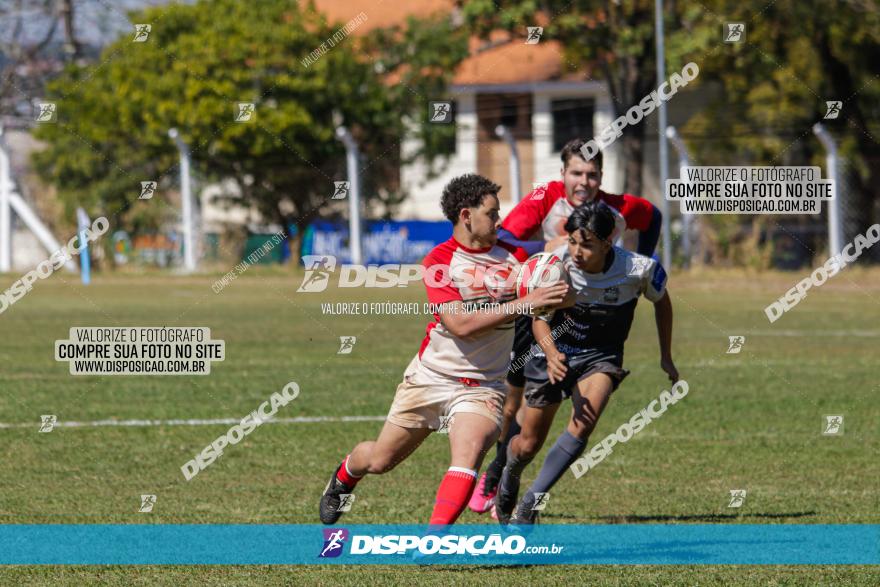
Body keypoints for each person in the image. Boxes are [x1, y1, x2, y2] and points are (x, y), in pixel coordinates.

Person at [319, 174, 569, 526]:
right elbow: (460, 326)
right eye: (492, 214)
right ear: (466, 215)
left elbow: (559, 289)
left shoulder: (517, 256)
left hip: (483, 386)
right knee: (379, 460)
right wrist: (527, 301)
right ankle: (344, 477)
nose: (500, 222)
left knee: (467, 457)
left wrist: (560, 286)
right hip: (431, 377)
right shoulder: (439, 261)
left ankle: (433, 540)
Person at [470, 139, 662, 515]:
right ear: (563, 174)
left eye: (592, 175)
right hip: (539, 308)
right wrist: (547, 247)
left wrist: (646, 258)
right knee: (512, 407)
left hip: (588, 324)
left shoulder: (618, 208)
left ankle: (519, 491)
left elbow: (652, 216)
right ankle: (495, 476)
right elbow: (505, 236)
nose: (584, 182)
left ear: (601, 177)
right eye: (576, 172)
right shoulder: (546, 198)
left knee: (561, 416)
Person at [495, 201, 679, 524]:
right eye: (573, 242)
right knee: (527, 444)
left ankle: (530, 504)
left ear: (609, 242)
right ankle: (510, 470)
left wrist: (666, 356)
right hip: (553, 352)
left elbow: (662, 302)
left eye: (587, 245)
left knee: (584, 422)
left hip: (601, 357)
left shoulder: (638, 269)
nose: (577, 252)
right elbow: (539, 320)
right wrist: (552, 355)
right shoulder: (557, 267)